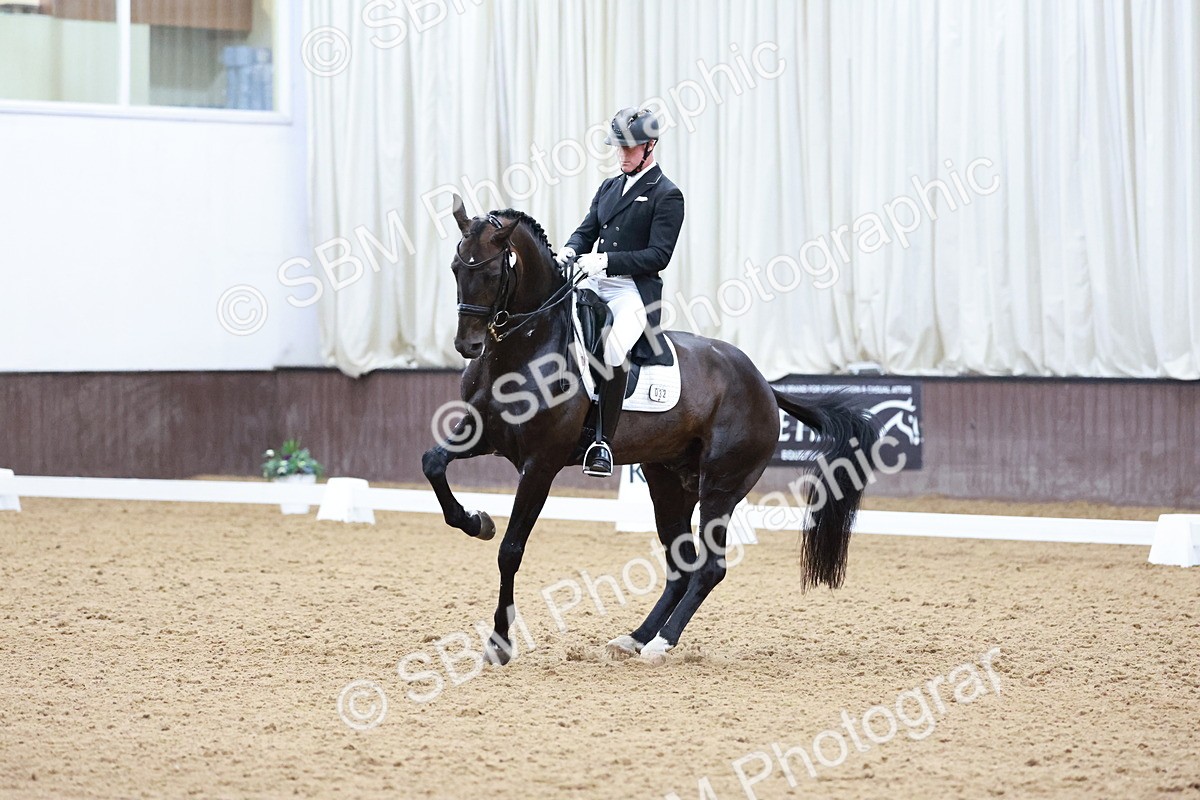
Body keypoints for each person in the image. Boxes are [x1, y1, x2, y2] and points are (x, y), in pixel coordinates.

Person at [557, 107, 686, 478]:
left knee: (614, 347)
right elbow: (587, 229)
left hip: (632, 289)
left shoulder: (667, 194)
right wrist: (571, 249)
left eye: (630, 149)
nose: (622, 155)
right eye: (619, 148)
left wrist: (606, 261)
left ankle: (602, 442)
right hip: (596, 279)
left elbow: (658, 255)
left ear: (650, 147)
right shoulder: (609, 187)